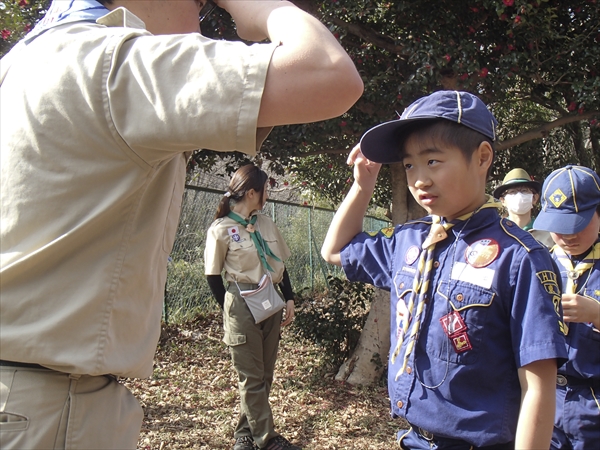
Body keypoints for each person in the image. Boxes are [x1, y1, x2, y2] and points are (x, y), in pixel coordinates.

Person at [0, 0, 362, 447]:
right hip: (47, 407)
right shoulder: (115, 61)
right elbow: (328, 73)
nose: (204, 23)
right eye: (201, 3)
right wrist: (262, 8)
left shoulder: (20, 66)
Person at [321, 90, 567, 449]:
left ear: (482, 157)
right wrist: (362, 186)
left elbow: (538, 386)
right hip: (414, 439)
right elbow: (336, 250)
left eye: (433, 161)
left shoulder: (520, 258)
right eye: (409, 165)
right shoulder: (410, 242)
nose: (419, 179)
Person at [204, 164, 298, 450]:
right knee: (251, 376)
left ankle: (245, 434)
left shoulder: (265, 223)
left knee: (264, 374)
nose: (268, 194)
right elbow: (213, 276)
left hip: (270, 298)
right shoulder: (221, 229)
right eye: (266, 189)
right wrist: (230, 310)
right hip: (241, 301)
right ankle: (268, 440)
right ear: (252, 192)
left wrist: (290, 296)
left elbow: (278, 261)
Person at [531, 165, 600, 450]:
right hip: (545, 399)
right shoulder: (538, 263)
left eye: (578, 224)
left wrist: (597, 315)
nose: (569, 236)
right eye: (558, 228)